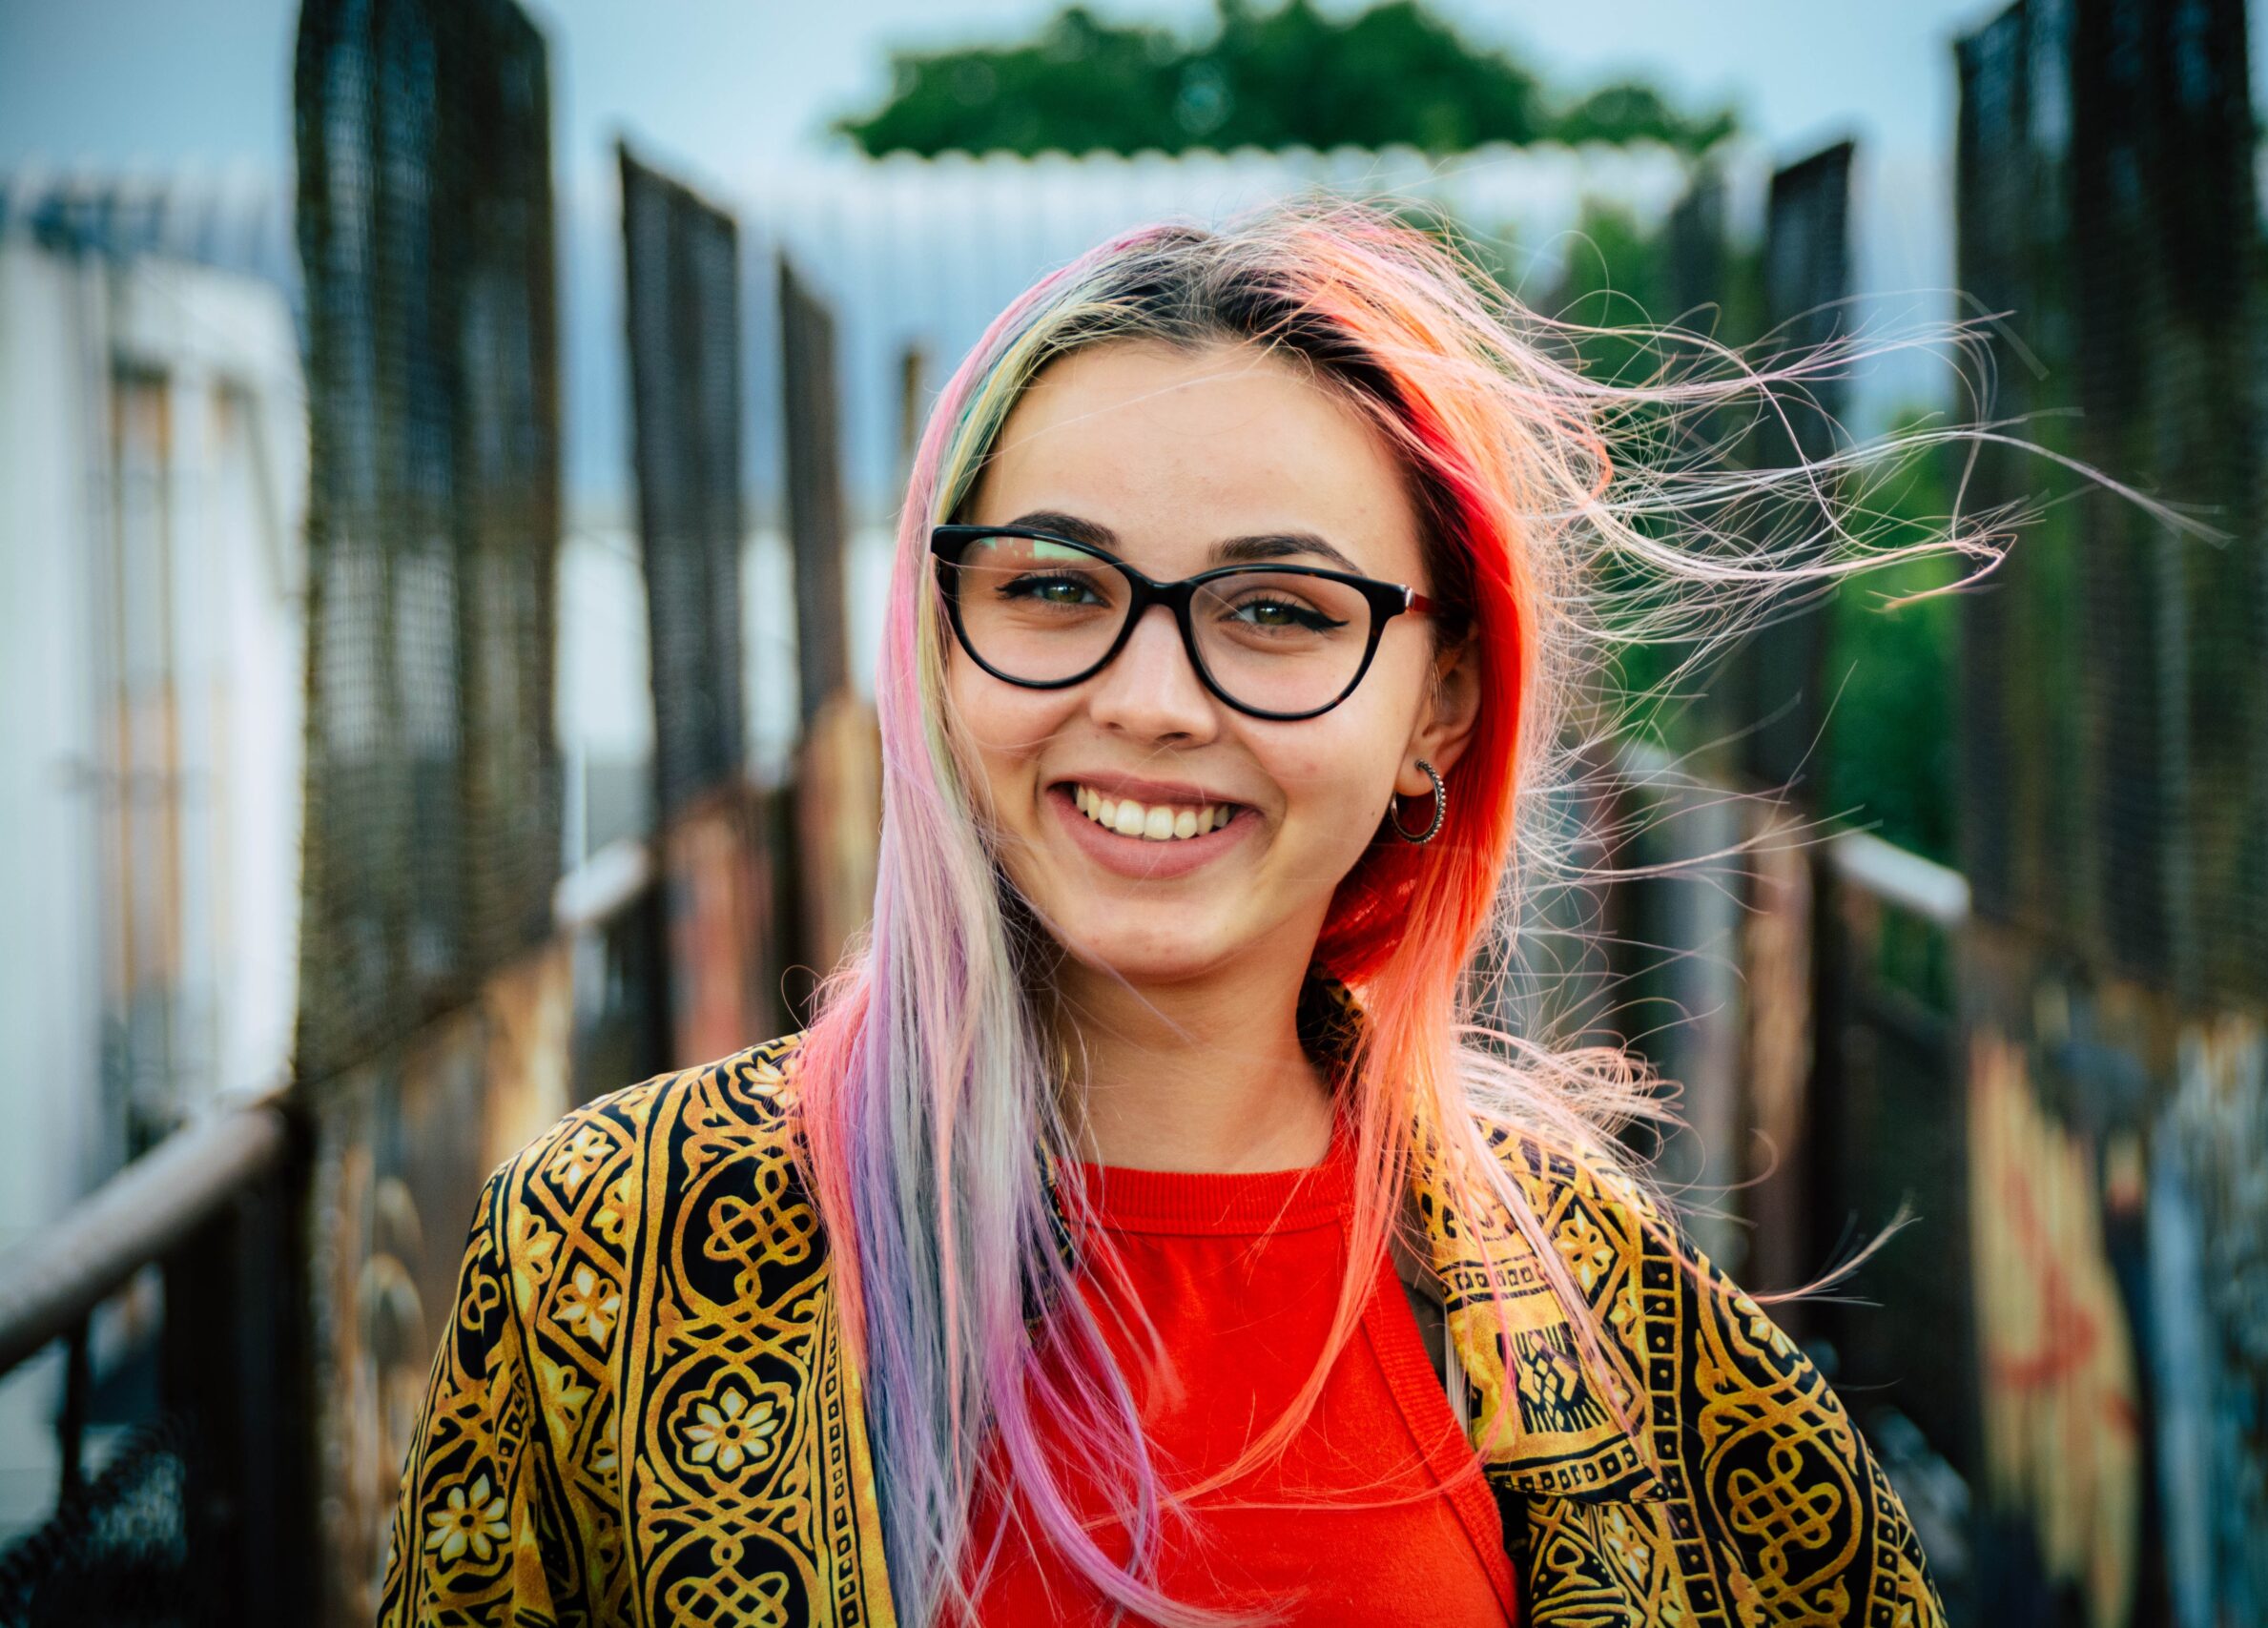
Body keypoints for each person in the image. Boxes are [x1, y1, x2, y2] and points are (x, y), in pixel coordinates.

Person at [381, 199, 1958, 1626]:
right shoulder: (604, 1249)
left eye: (1279, 612)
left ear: (1442, 707)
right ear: (937, 646)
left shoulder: (1610, 1309)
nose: (1150, 700)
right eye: (1053, 586)